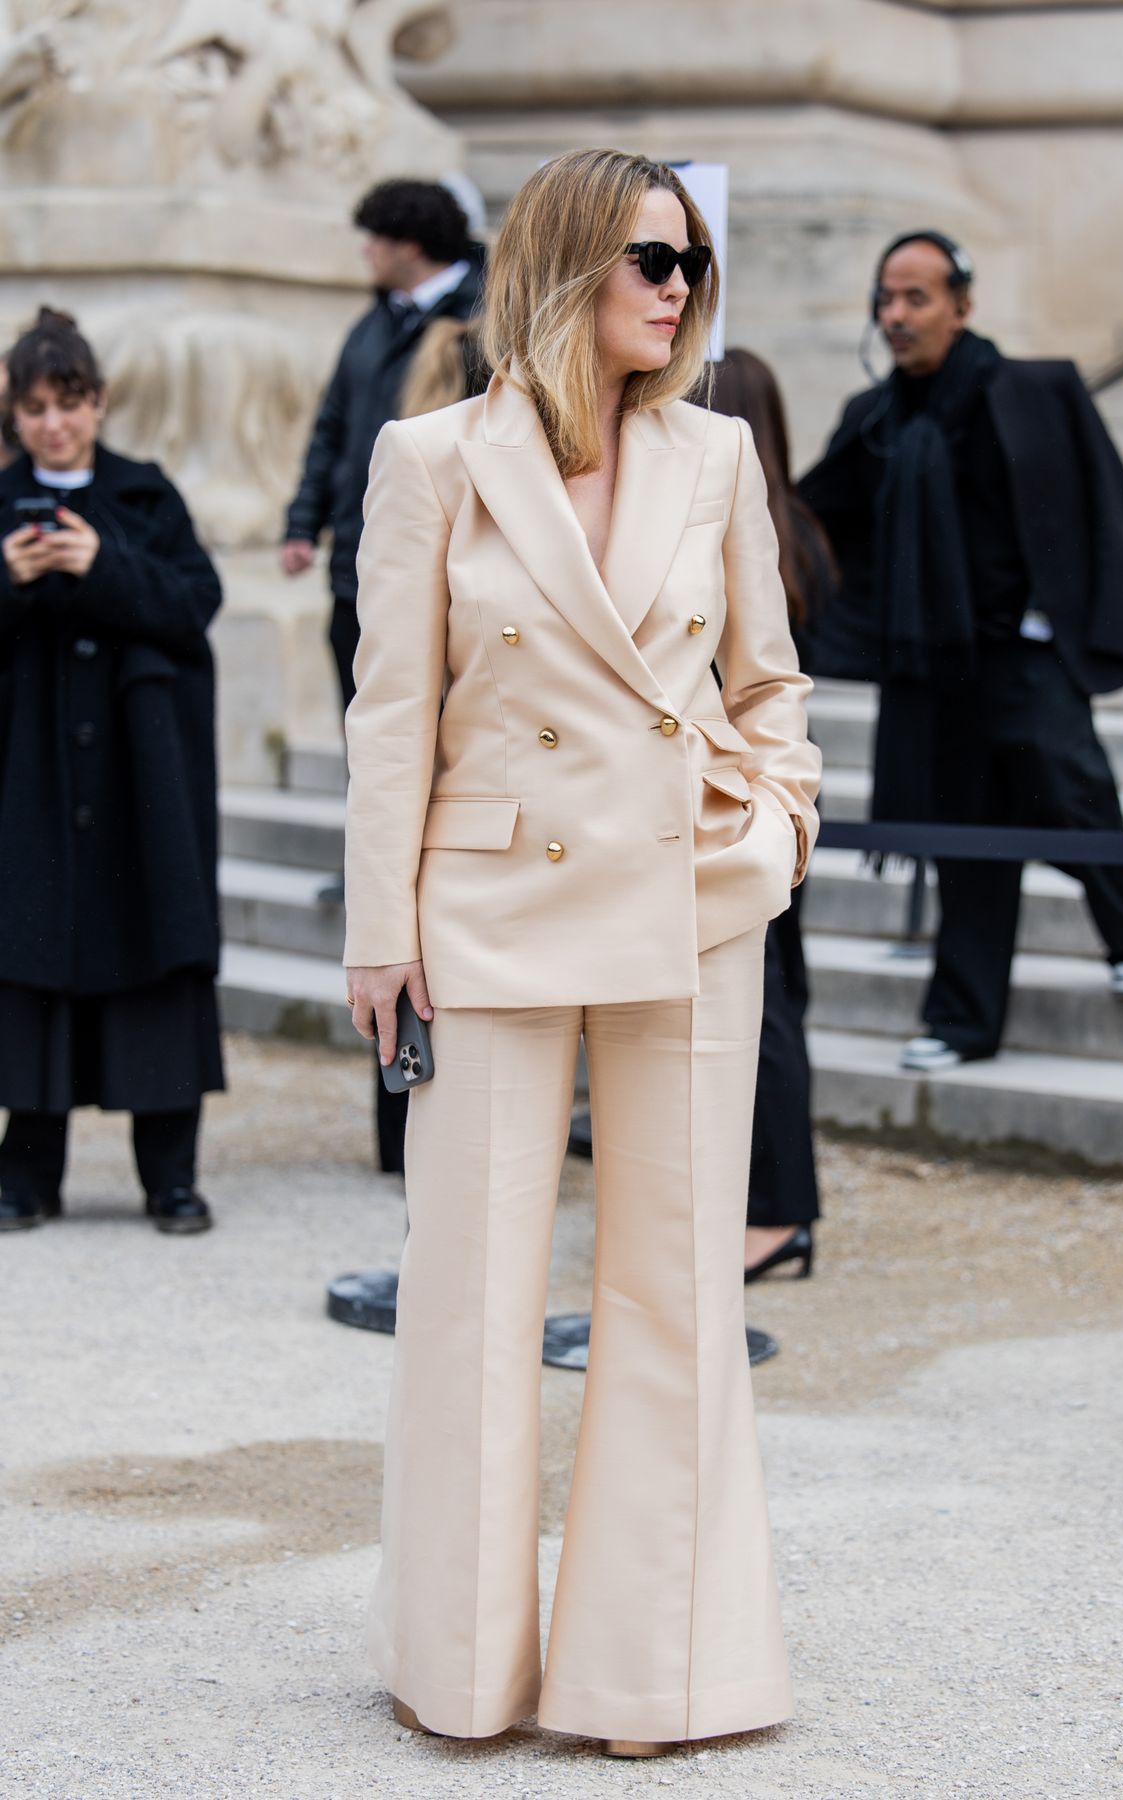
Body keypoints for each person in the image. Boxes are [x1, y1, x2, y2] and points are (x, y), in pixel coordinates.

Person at [343, 148, 821, 1755]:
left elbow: (770, 684)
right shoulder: (432, 458)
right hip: (487, 905)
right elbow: (390, 710)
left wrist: (778, 827)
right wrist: (375, 927)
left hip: (690, 901)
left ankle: (657, 1676)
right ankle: (461, 1670)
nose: (679, 290)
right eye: (649, 260)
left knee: (675, 1288)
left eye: (691, 264)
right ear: (563, 265)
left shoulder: (720, 454)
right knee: (469, 1287)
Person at [799, 231, 1123, 1070]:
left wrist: (1067, 619)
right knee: (965, 831)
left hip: (1023, 650)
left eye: (916, 298)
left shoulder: (1035, 391)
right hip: (931, 662)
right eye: (885, 300)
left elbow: (1095, 502)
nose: (895, 316)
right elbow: (816, 520)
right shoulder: (875, 418)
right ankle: (964, 1022)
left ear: (962, 306)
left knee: (1071, 793)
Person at [0, 308, 223, 1232]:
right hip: (32, 783)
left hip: (143, 785)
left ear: (99, 402)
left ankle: (169, 1176)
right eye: (37, 408)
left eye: (72, 403)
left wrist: (100, 563)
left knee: (157, 964)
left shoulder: (144, 495)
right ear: (15, 414)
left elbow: (195, 602)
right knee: (30, 961)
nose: (55, 424)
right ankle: (25, 1175)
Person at [280, 178, 482, 1168]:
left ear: (408, 241)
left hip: (460, 597)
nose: (363, 255)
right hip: (364, 571)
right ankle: (396, 1127)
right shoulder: (371, 330)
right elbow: (331, 428)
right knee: (381, 766)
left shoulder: (482, 316)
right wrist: (300, 522)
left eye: (372, 240)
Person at [710, 348, 837, 1282]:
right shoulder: (800, 528)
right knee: (769, 1006)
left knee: (769, 1014)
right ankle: (768, 1203)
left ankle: (780, 1211)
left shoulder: (753, 526)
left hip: (741, 800)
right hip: (753, 800)